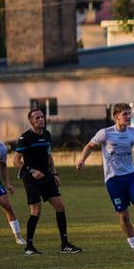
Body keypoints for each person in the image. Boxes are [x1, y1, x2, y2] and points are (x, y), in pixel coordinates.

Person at [75, 103, 134, 262]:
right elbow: (89, 146)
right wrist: (82, 160)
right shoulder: (105, 133)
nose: (128, 117)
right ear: (116, 116)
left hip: (130, 176)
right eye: (125, 114)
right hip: (113, 180)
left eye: (129, 114)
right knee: (123, 216)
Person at [12, 108, 81, 255]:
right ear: (31, 121)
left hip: (47, 176)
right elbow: (15, 161)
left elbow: (49, 156)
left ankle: (65, 244)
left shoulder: (47, 135)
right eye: (36, 118)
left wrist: (55, 173)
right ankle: (29, 246)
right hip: (31, 178)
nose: (40, 120)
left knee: (60, 206)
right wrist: (32, 171)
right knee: (36, 211)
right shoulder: (25, 138)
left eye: (42, 117)